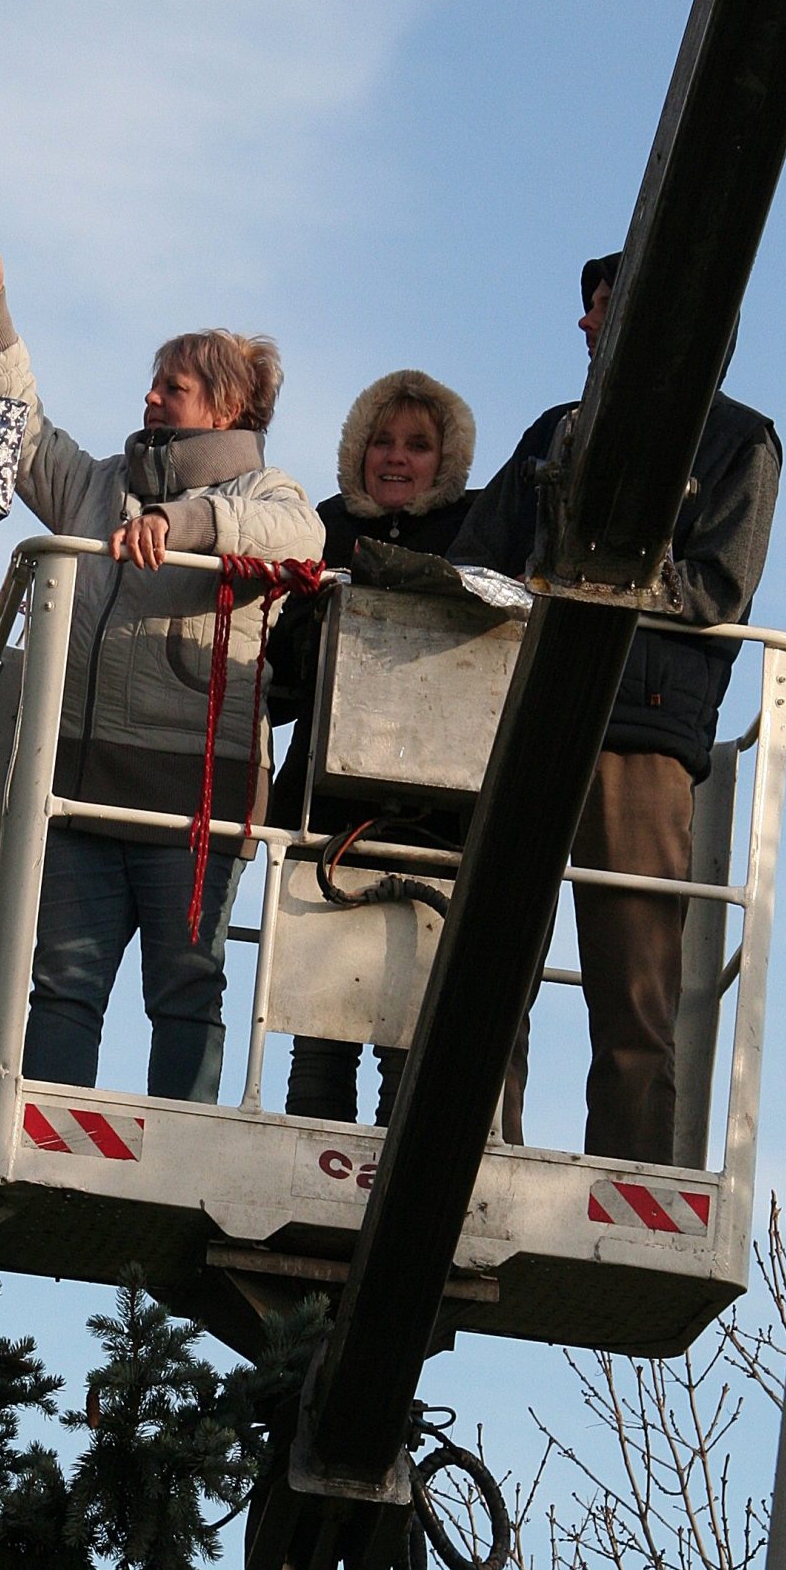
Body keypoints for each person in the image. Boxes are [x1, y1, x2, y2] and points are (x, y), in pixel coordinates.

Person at [0, 226, 323, 1102]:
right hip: (79, 788)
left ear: (227, 411)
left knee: (186, 993)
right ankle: (47, 1149)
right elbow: (17, 432)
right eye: (155, 382)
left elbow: (298, 539)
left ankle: (180, 1150)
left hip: (195, 802)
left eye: (173, 387)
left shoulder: (268, 492)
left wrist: (184, 528)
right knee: (64, 991)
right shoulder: (96, 483)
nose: (149, 397)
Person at [452, 251, 781, 1162]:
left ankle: (630, 1187)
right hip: (514, 723)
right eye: (590, 309)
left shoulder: (739, 439)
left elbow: (716, 588)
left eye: (603, 308)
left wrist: (581, 575)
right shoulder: (549, 432)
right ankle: (474, 1160)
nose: (588, 325)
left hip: (641, 732)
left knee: (633, 992)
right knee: (486, 974)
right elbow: (475, 562)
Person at [267, 369, 478, 1124]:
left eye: (417, 445)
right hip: (326, 810)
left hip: (437, 819)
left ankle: (396, 1207)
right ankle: (305, 1174)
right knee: (317, 1027)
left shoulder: (477, 531)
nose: (396, 458)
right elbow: (279, 679)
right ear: (355, 450)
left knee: (410, 1029)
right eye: (381, 441)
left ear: (445, 459)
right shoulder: (318, 525)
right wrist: (318, 618)